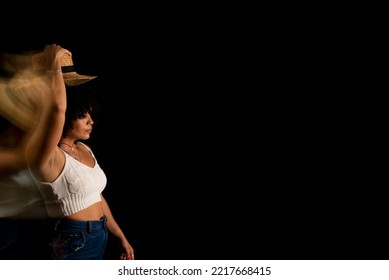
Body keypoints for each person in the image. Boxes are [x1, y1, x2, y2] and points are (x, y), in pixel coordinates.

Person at [26, 44, 134, 260]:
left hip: (98, 235)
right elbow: (57, 109)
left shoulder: (84, 149)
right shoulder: (45, 155)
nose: (91, 121)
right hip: (73, 242)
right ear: (65, 117)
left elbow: (96, 196)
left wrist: (120, 235)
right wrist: (54, 63)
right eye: (82, 114)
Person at [0, 61, 52, 259]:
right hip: (8, 230)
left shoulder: (23, 139)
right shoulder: (14, 147)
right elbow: (26, 158)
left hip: (33, 227)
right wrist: (42, 112)